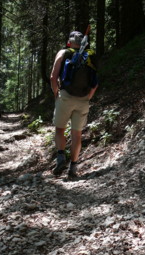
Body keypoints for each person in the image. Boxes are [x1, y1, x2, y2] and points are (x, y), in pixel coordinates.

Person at [50, 31, 98, 177]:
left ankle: (60, 157)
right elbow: (95, 82)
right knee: (77, 134)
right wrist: (88, 96)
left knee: (60, 129)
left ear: (69, 43)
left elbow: (53, 76)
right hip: (83, 99)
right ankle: (73, 168)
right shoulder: (91, 55)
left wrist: (56, 93)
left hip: (65, 96)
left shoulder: (63, 52)